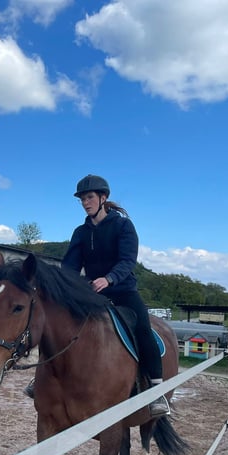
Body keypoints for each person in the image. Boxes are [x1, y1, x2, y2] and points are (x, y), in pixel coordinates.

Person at [25, 174, 169, 417]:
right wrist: (72, 286)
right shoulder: (80, 232)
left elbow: (127, 261)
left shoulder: (123, 226)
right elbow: (70, 267)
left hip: (122, 290)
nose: (85, 202)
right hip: (91, 293)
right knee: (59, 324)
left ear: (103, 198)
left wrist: (109, 278)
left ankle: (156, 390)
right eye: (82, 199)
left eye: (89, 197)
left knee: (143, 327)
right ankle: (41, 377)